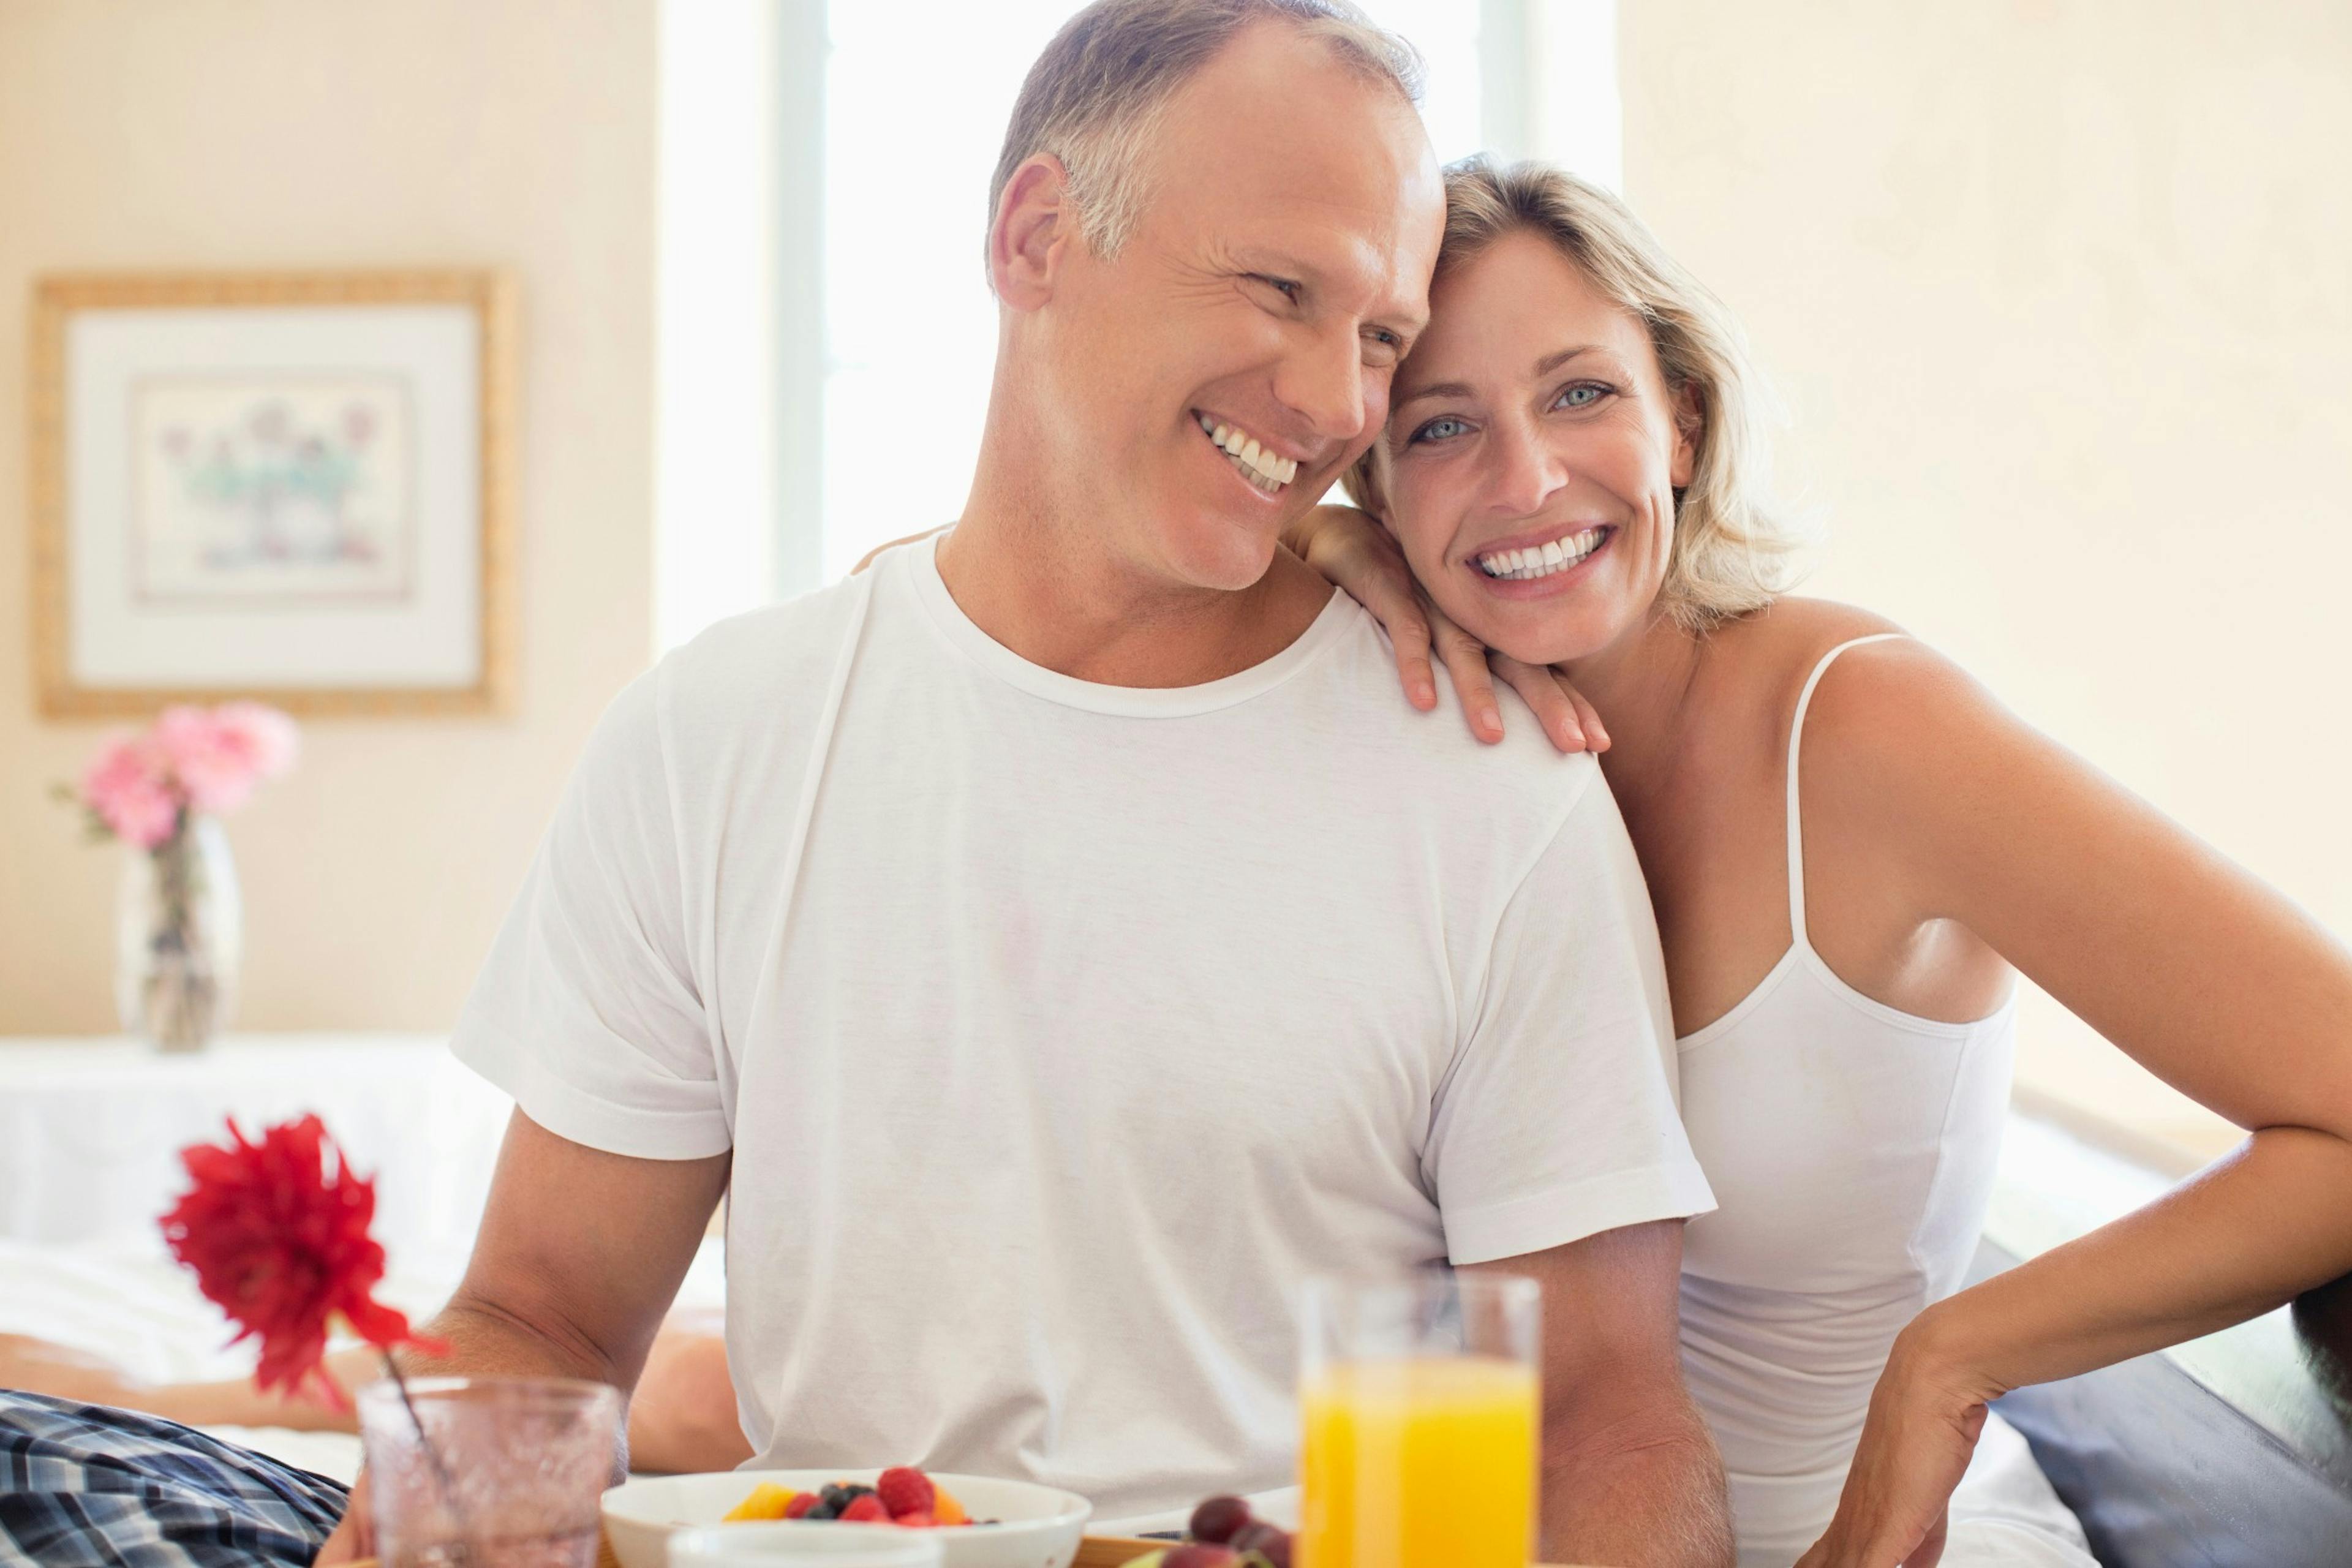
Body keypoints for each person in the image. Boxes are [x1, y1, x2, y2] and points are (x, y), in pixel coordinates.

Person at [1, 7, 1736, 1567]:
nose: (1331, 400)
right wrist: (446, 1487)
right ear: (1035, 235)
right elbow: (544, 1314)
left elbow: (1603, 1417)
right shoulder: (720, 738)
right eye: (1283, 292)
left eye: (1378, 335)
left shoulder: (1494, 786)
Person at [1278, 156, 2352, 1567]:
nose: (1525, 476)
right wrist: (1305, 537)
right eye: (1439, 427)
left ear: (1684, 418)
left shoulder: (1859, 727)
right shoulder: (1412, 731)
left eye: (1581, 391)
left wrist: (1952, 1357)